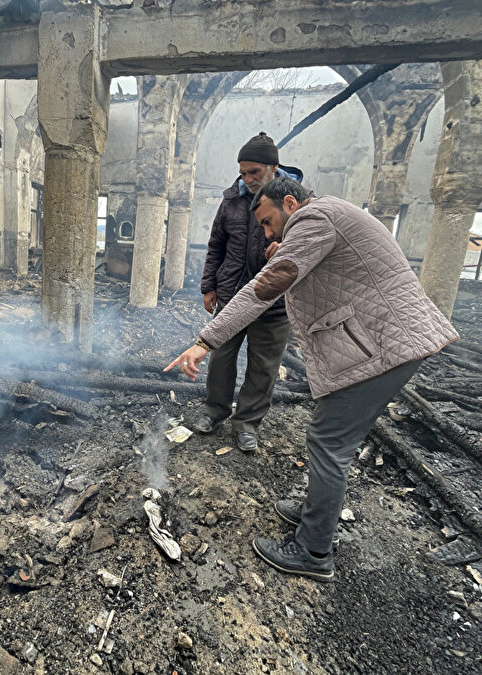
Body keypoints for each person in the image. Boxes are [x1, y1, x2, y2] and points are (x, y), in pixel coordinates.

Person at [166, 177, 458, 580]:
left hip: (384, 347)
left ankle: (313, 551)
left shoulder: (314, 217)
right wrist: (283, 246)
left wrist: (205, 340)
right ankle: (313, 514)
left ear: (290, 203)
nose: (267, 232)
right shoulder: (329, 213)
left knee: (328, 443)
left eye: (269, 222)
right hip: (390, 342)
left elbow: (264, 288)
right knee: (333, 442)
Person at [197, 132, 305, 452]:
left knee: (263, 366)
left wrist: (286, 248)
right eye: (242, 172)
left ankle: (247, 423)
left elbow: (309, 248)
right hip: (232, 294)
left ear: (273, 168)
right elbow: (216, 245)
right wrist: (209, 286)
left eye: (253, 171)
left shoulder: (297, 202)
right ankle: (216, 410)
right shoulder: (232, 199)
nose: (246, 179)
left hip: (274, 301)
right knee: (221, 356)